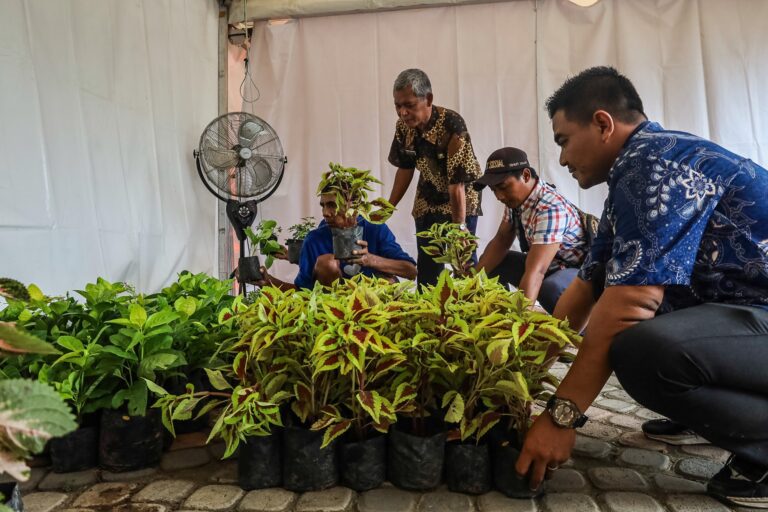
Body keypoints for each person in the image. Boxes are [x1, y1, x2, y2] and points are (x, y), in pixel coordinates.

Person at [514, 66, 768, 509]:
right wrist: (516, 381)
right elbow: (589, 289)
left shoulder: (651, 165)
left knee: (640, 349)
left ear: (602, 123)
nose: (562, 160)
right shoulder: (634, 172)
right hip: (749, 314)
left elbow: (631, 303)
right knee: (638, 328)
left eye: (563, 141)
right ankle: (708, 417)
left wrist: (561, 417)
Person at [387, 68, 483, 286]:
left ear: (428, 99)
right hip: (428, 195)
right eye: (397, 105)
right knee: (428, 263)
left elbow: (456, 183)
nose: (402, 112)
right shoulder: (403, 127)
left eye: (409, 105)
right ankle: (429, 310)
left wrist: (459, 229)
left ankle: (472, 309)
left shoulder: (452, 125)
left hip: (461, 196)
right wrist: (388, 207)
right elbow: (405, 168)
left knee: (463, 260)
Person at [475, 147, 590, 313]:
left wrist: (519, 323)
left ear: (526, 175)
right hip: (547, 266)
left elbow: (537, 271)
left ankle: (578, 331)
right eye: (494, 190)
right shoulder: (515, 201)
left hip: (575, 272)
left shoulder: (550, 207)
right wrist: (470, 283)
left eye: (503, 187)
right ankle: (496, 313)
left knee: (550, 287)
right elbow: (501, 241)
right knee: (493, 263)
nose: (499, 196)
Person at [258, 190, 416, 291]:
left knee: (387, 282)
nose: (325, 213)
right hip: (335, 310)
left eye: (332, 205)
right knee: (327, 263)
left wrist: (370, 260)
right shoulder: (314, 239)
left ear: (353, 205)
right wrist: (269, 281)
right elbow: (303, 292)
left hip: (374, 307)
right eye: (323, 206)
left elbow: (411, 271)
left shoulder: (374, 229)